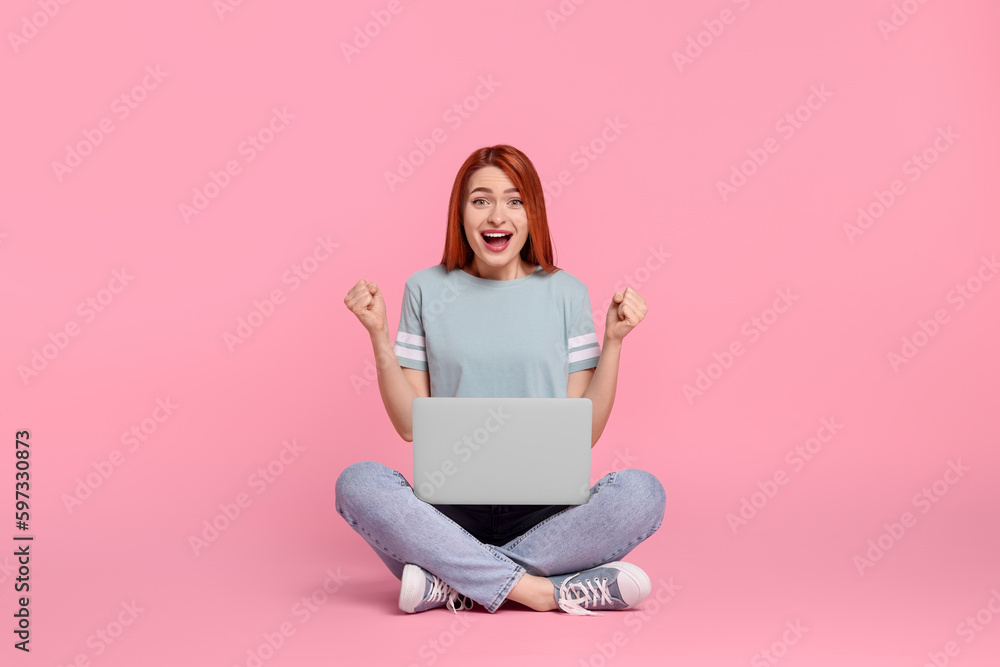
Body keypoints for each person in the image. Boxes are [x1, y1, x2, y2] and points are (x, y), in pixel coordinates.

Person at [337, 144, 665, 615]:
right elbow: (411, 425)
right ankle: (541, 590)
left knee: (642, 493)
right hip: (446, 519)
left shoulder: (566, 293)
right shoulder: (425, 289)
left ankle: (456, 581)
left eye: (514, 200)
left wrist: (613, 342)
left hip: (548, 520)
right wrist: (378, 338)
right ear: (461, 213)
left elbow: (583, 433)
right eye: (480, 200)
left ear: (533, 214)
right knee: (358, 483)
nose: (497, 216)